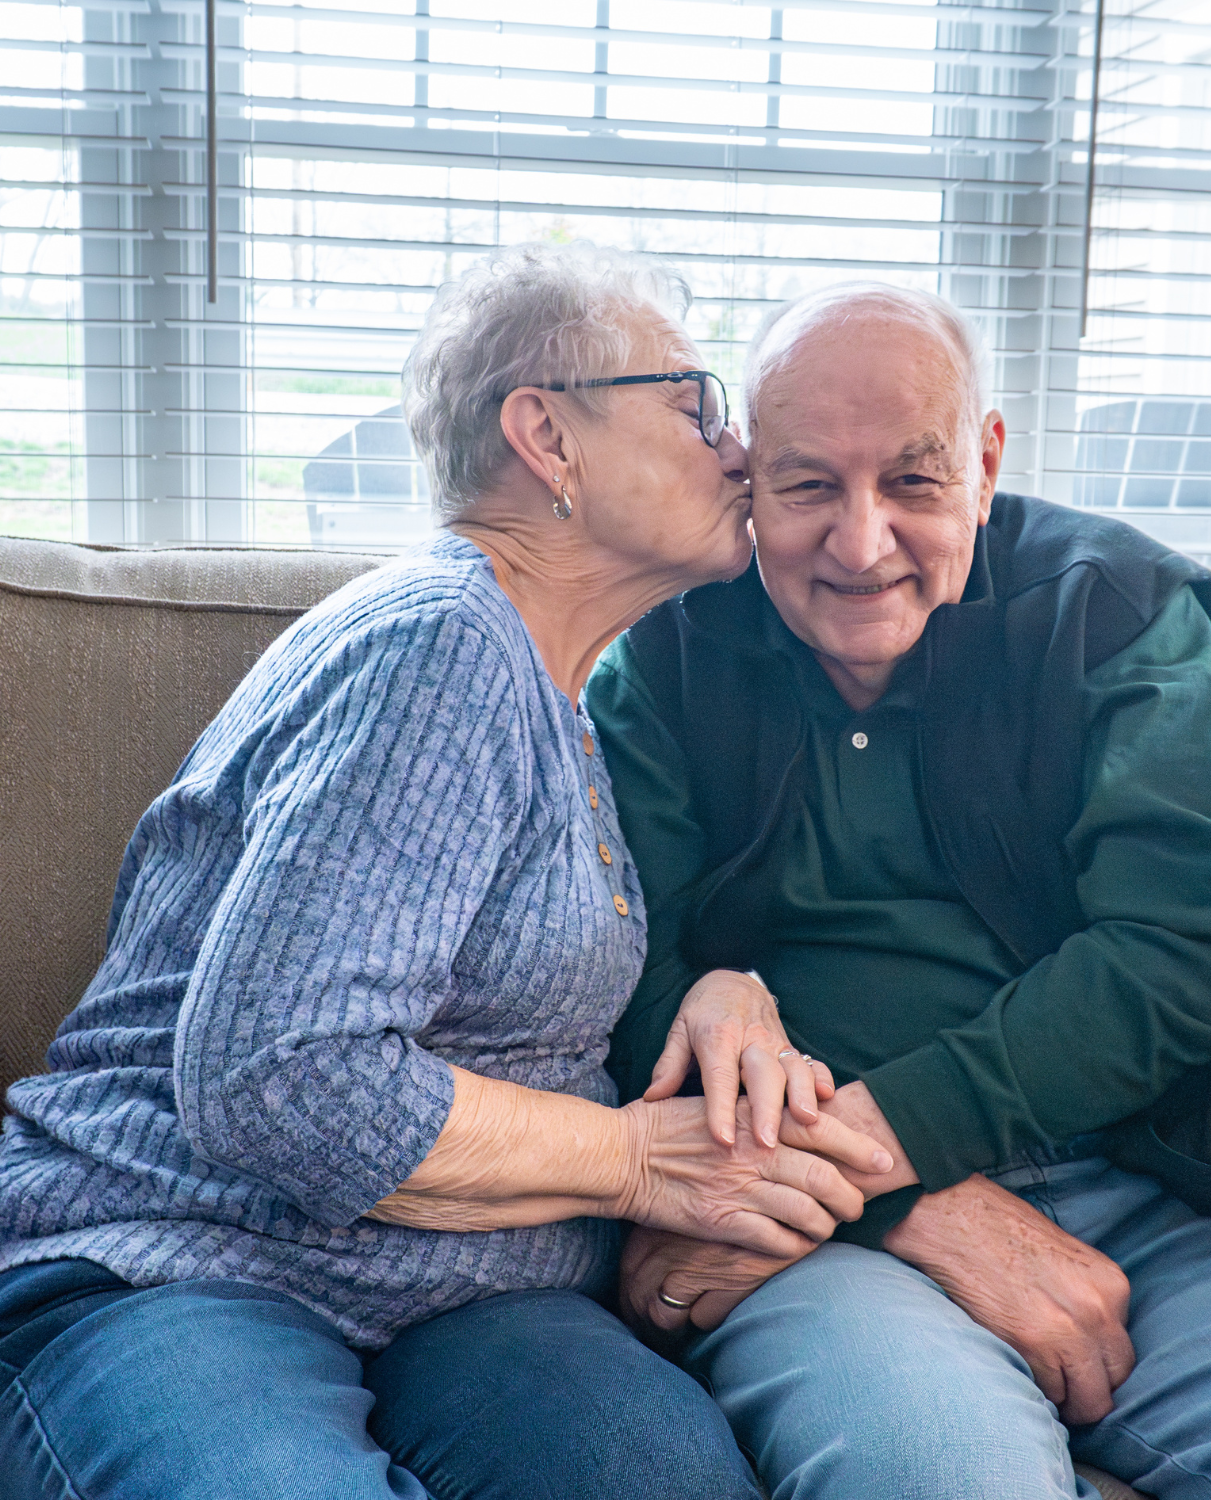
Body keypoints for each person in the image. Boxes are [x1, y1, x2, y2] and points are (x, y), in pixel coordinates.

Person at [0, 244, 895, 1500]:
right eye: (695, 402)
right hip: (183, 1256)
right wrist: (638, 1160)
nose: (737, 452)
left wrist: (712, 990)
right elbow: (281, 1075)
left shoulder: (552, 687)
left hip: (461, 1301)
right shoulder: (441, 645)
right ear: (546, 436)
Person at [588, 282, 1211, 1499]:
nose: (860, 545)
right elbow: (607, 979)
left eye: (913, 483)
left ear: (985, 459)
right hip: (807, 1235)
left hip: (1153, 1177)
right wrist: (901, 1205)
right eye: (808, 485)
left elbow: (1185, 958)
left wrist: (875, 1153)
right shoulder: (662, 647)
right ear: (748, 476)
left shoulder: (1110, 613)